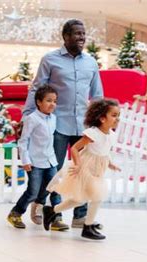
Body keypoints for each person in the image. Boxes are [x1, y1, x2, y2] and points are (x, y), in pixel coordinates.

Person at [22, 19, 104, 230]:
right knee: (56, 171)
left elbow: (97, 95)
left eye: (83, 34)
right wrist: (28, 114)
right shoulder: (50, 60)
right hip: (56, 125)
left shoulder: (91, 62)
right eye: (77, 34)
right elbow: (37, 88)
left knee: (84, 170)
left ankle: (81, 216)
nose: (81, 37)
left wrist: (100, 125)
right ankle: (53, 212)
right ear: (65, 36)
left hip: (84, 126)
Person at [43, 98, 121, 240]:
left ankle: (51, 210)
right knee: (97, 197)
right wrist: (77, 164)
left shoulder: (112, 134)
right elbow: (74, 148)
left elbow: (105, 151)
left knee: (80, 200)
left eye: (118, 116)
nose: (117, 119)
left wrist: (110, 163)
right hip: (86, 167)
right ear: (102, 118)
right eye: (114, 115)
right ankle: (88, 227)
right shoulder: (93, 133)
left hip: (99, 169)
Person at [7, 85, 62, 229]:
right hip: (35, 162)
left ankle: (55, 218)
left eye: (55, 101)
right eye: (48, 100)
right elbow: (23, 140)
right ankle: (15, 214)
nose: (52, 104)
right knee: (33, 192)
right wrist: (25, 160)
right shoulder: (32, 119)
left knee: (54, 188)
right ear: (39, 102)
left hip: (50, 161)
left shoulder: (53, 118)